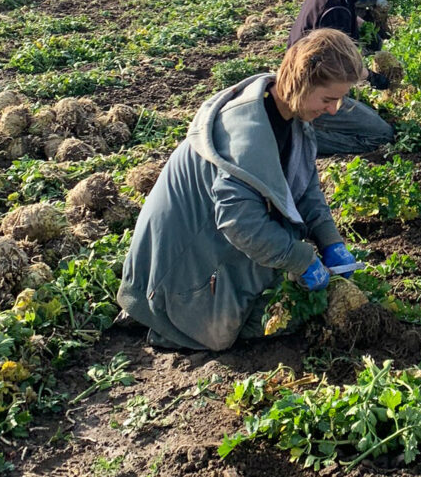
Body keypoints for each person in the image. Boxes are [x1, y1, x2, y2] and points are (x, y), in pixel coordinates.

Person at [116, 29, 365, 351]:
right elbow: (241, 224)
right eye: (328, 99)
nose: (333, 109)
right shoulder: (244, 136)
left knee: (277, 298)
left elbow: (304, 189)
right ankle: (159, 317)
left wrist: (330, 241)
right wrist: (302, 259)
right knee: (239, 329)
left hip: (218, 230)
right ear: (301, 83)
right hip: (182, 253)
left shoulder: (290, 114)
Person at [288, 0, 396, 155]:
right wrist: (371, 77)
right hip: (309, 88)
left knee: (371, 117)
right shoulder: (335, 6)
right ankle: (297, 139)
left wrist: (365, 25)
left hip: (305, 77)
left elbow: (337, 22)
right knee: (382, 134)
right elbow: (336, 65)